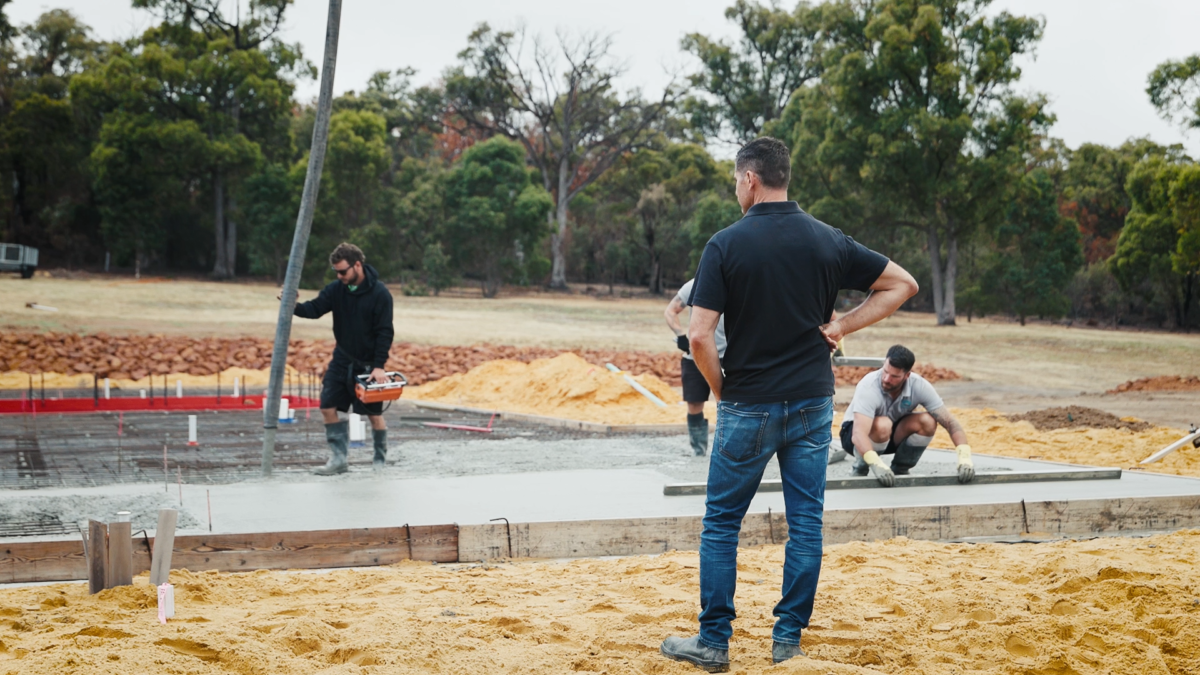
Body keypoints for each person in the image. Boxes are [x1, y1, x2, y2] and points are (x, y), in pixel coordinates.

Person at [659, 137, 918, 672]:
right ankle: (787, 644)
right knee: (806, 525)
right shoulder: (827, 240)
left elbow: (700, 336)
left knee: (722, 523)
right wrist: (842, 324)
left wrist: (724, 391)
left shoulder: (725, 245)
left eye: (736, 181)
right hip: (810, 404)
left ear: (750, 179)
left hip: (747, 402)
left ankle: (713, 643)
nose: (736, 189)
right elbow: (902, 284)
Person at [285, 243, 394, 475]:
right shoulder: (336, 290)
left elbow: (385, 332)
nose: (339, 275)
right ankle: (338, 460)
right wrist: (292, 305)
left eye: (343, 271)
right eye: (336, 271)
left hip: (368, 365)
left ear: (357, 265)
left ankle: (379, 459)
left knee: (374, 415)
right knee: (327, 406)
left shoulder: (380, 294)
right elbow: (314, 309)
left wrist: (379, 367)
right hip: (342, 359)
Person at [839, 345, 975, 486]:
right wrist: (876, 464)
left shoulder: (919, 386)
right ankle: (860, 470)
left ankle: (900, 470)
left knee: (928, 421)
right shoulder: (869, 386)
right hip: (854, 437)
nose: (886, 379)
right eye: (885, 371)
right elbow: (858, 434)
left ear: (907, 375)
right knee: (883, 424)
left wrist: (965, 458)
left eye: (894, 376)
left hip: (890, 434)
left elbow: (950, 423)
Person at [665, 279, 727, 456]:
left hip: (730, 356)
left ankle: (729, 451)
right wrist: (681, 336)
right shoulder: (695, 285)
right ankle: (698, 451)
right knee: (694, 404)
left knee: (731, 404)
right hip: (697, 355)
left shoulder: (736, 282)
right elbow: (670, 311)